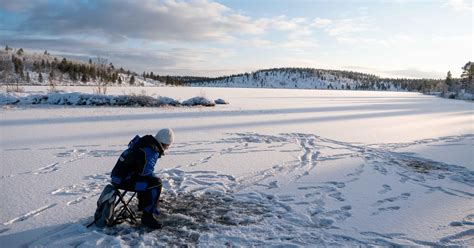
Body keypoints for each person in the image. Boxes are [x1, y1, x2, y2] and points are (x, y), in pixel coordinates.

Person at [110, 128, 174, 229]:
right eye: (168, 146)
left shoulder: (144, 143)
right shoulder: (151, 151)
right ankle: (148, 216)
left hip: (117, 177)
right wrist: (154, 197)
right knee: (156, 183)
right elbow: (145, 174)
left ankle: (143, 205)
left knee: (148, 181)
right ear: (165, 143)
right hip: (123, 181)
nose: (167, 148)